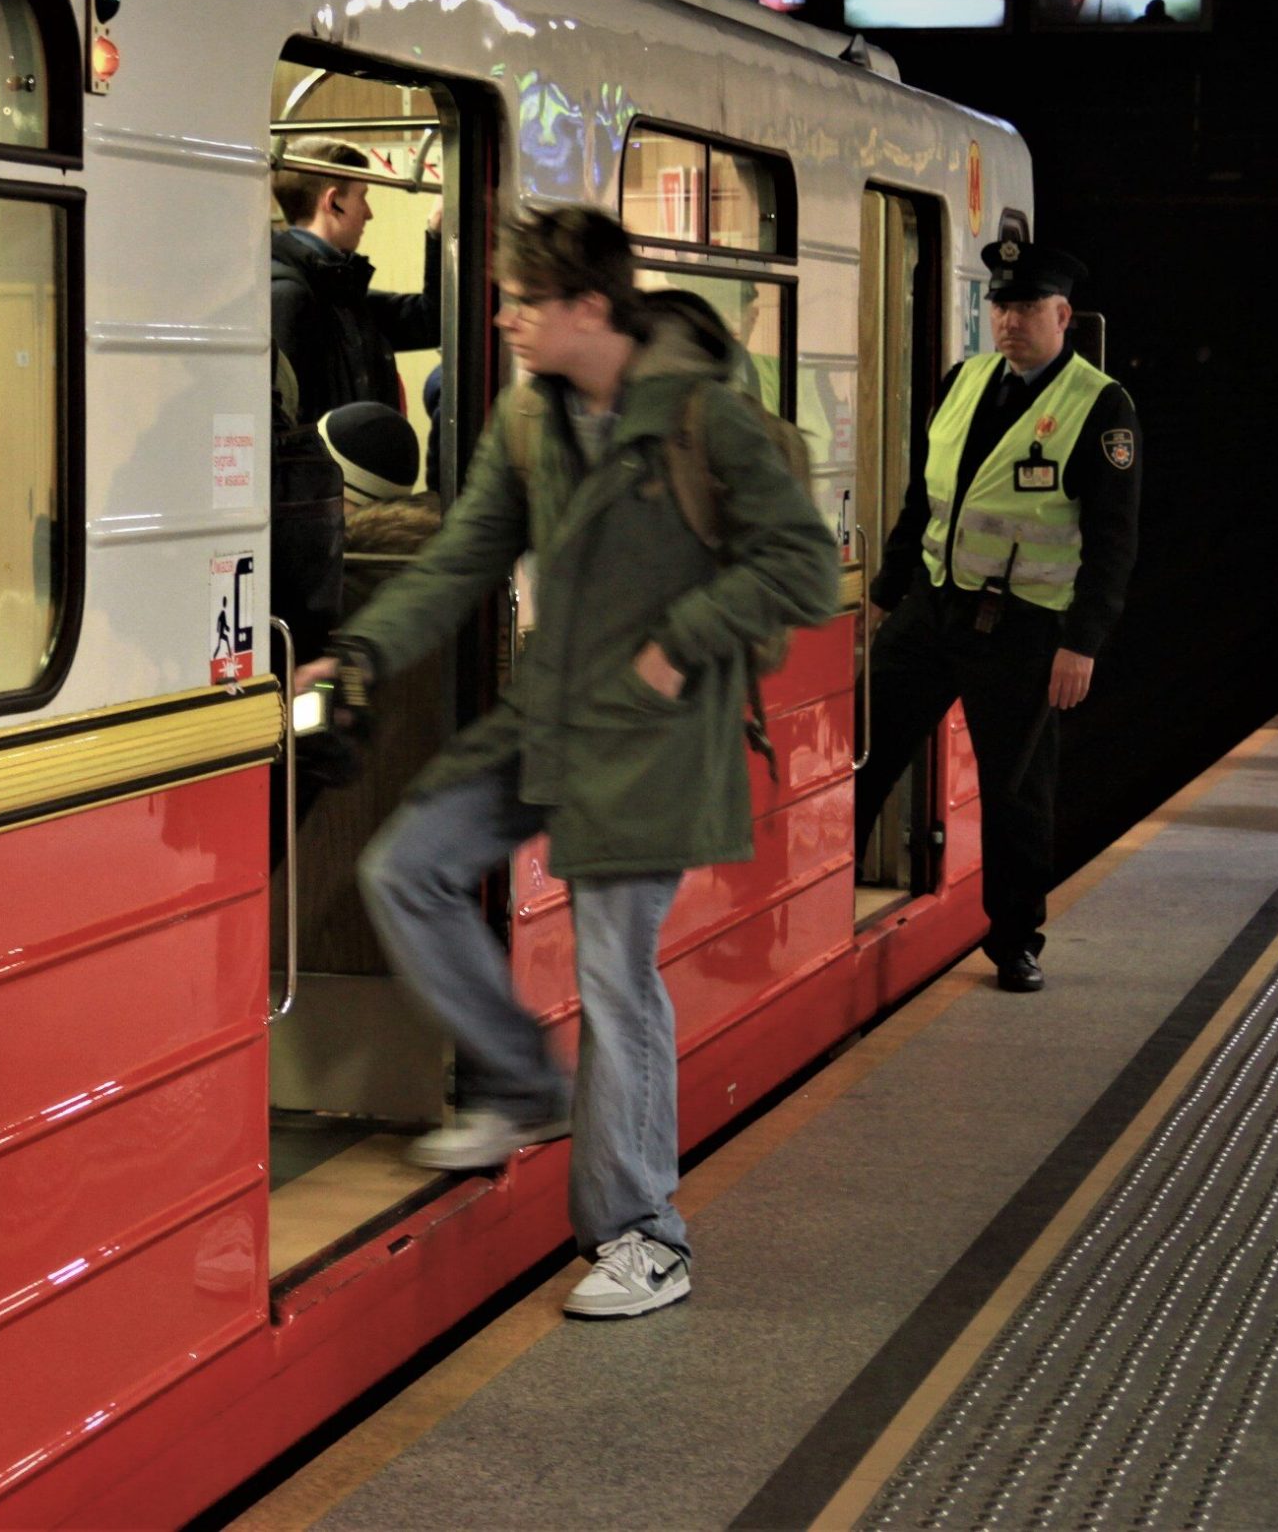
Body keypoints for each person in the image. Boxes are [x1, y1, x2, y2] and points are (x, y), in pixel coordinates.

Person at [293, 206, 836, 1319]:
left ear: (588, 307)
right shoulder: (530, 418)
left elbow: (801, 566)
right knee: (407, 866)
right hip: (548, 718)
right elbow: (462, 556)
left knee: (611, 980)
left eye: (522, 302)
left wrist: (676, 644)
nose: (502, 318)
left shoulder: (701, 417)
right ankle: (517, 1077)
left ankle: (645, 1235)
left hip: (651, 739)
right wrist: (359, 649)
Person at [858, 239, 1139, 993]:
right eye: (1001, 307)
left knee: (1014, 793)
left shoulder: (1100, 405)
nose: (1010, 322)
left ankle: (1015, 942)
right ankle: (819, 912)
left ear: (1063, 315)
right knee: (865, 753)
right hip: (932, 609)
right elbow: (925, 498)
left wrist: (1082, 644)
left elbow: (1113, 544)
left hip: (1023, 630)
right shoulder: (964, 379)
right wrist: (887, 586)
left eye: (1026, 309)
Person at [269, 136, 442, 421]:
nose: (369, 213)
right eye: (363, 196)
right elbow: (285, 422)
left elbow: (430, 321)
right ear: (333, 202)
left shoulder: (341, 291)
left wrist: (437, 231)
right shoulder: (289, 297)